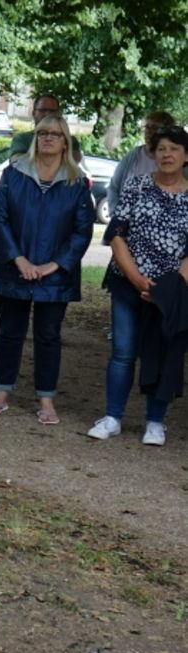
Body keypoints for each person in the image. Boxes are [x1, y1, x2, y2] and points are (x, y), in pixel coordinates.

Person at [0, 114, 94, 424]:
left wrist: (53, 265)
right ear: (35, 138)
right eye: (42, 133)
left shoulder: (76, 183)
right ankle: (2, 393)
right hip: (14, 269)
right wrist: (20, 260)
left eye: (55, 134)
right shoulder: (14, 174)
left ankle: (46, 400)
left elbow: (82, 231)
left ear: (65, 141)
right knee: (10, 332)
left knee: (48, 336)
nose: (47, 138)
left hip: (55, 275)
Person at [87, 125, 188, 446]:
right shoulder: (136, 185)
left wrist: (165, 289)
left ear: (186, 156)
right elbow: (116, 233)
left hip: (171, 291)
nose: (167, 154)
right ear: (153, 154)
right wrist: (136, 279)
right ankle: (113, 417)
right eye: (161, 149)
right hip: (127, 282)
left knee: (163, 352)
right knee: (123, 351)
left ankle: (155, 422)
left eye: (174, 148)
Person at [107, 111, 176, 214]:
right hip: (129, 225)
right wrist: (116, 214)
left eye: (155, 128)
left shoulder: (177, 161)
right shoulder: (133, 156)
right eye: (147, 127)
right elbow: (114, 187)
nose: (148, 131)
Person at [9, 94, 82, 163]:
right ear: (34, 113)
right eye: (43, 110)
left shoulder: (70, 140)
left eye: (52, 111)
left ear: (58, 114)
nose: (47, 114)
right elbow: (16, 161)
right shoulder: (22, 139)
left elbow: (74, 160)